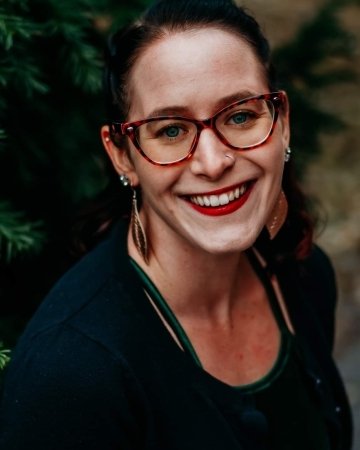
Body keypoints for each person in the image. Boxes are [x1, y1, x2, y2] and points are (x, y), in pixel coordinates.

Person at [0, 0, 353, 448]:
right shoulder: (72, 374)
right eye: (170, 129)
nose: (213, 162)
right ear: (122, 155)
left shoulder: (303, 273)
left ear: (281, 122)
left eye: (241, 115)